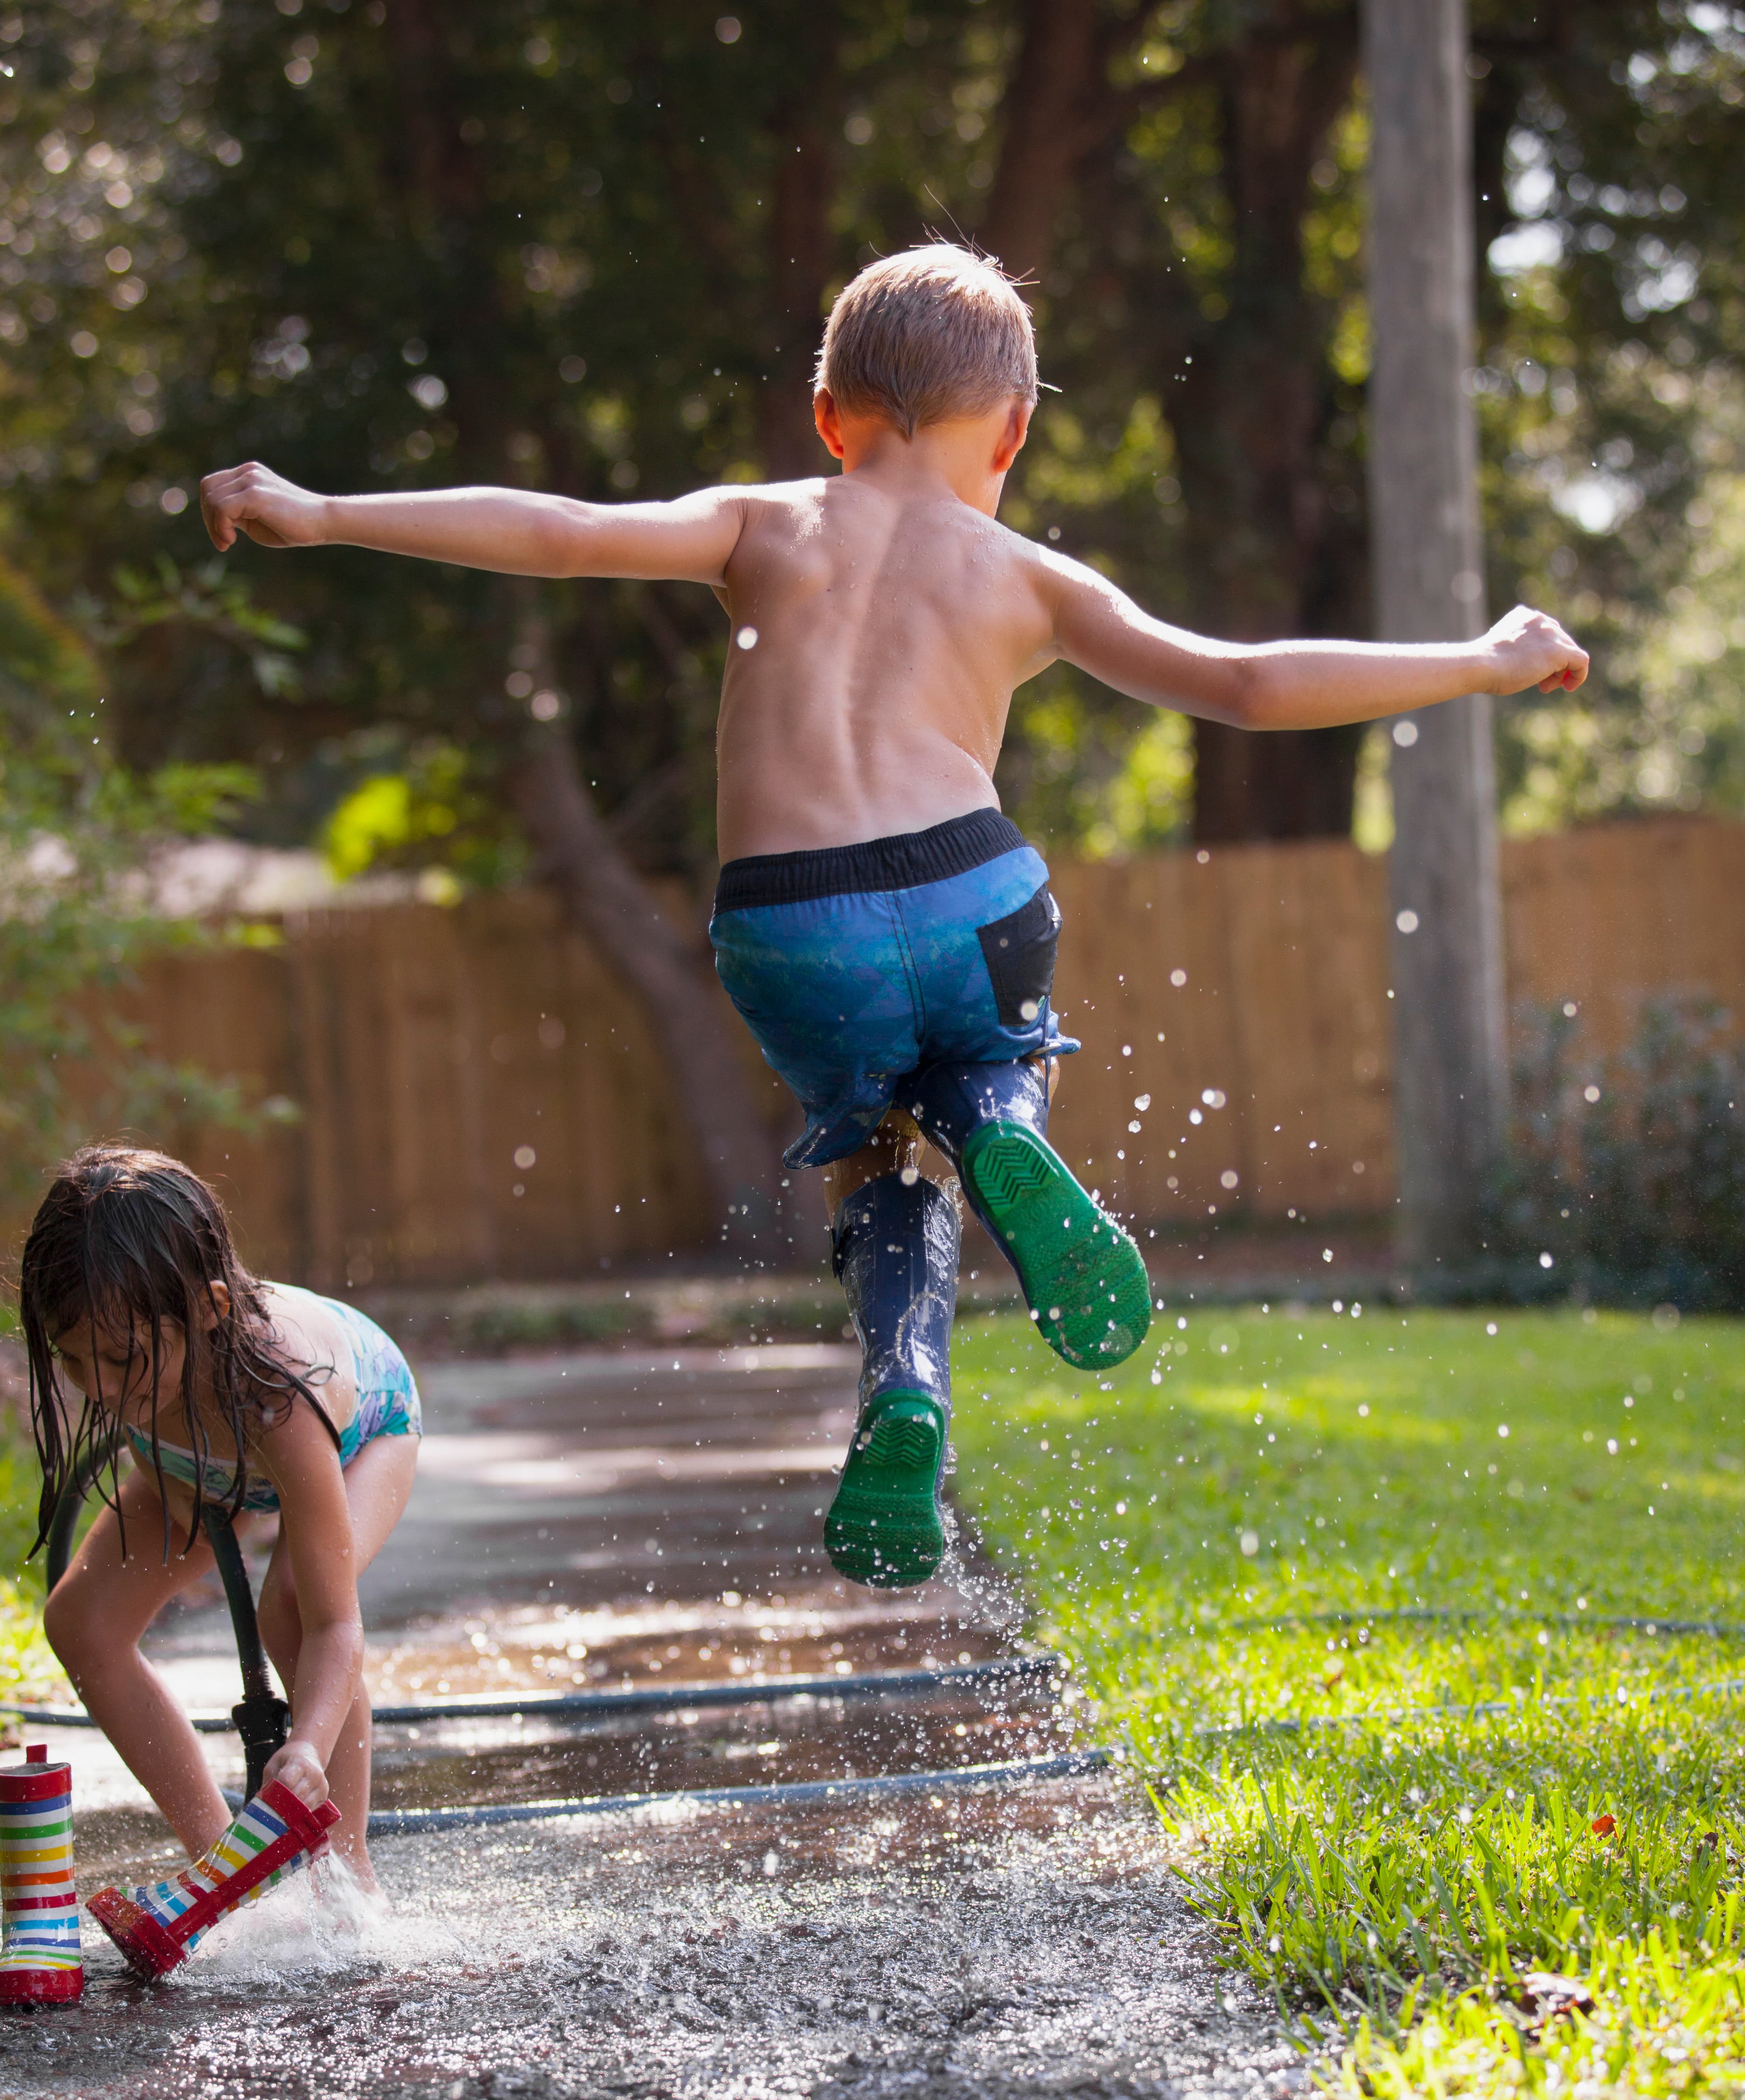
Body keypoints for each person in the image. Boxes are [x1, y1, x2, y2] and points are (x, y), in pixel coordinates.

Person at [198, 244, 1586, 1590]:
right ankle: (1002, 1127)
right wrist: (1479, 660)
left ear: (827, 414)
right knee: (989, 1058)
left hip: (792, 927)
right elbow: (1245, 684)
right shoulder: (1028, 574)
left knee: (875, 1156)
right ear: (1016, 432)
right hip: (972, 889)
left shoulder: (766, 521)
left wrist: (322, 511)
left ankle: (905, 1380)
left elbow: (557, 535)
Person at [16, 1146, 421, 1983]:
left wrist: (305, 1746)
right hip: (201, 1455)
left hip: (361, 1429)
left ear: (207, 1309)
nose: (99, 1387)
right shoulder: (132, 1369)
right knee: (80, 1624)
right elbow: (138, 1402)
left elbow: (335, 1621)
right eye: (72, 1359)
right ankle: (223, 1868)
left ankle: (349, 1892)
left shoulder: (278, 1390)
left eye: (121, 1360)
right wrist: (185, 1484)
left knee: (288, 1609)